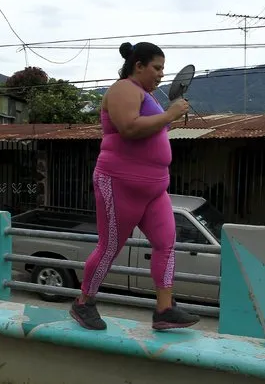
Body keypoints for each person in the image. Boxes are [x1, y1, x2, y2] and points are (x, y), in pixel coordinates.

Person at [70, 42, 201, 331]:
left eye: (163, 70)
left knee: (166, 243)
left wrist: (168, 117)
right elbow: (129, 127)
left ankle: (165, 309)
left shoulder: (148, 97)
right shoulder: (123, 88)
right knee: (110, 247)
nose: (161, 75)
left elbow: (151, 131)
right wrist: (169, 115)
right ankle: (83, 303)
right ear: (138, 65)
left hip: (154, 188)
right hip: (119, 183)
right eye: (156, 68)